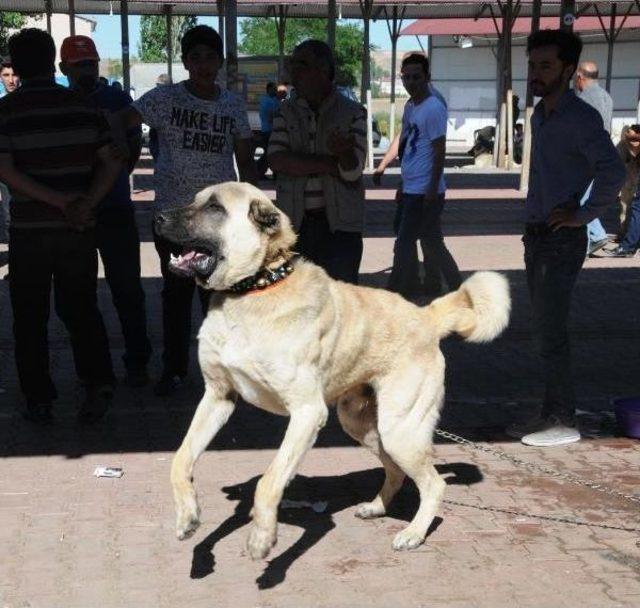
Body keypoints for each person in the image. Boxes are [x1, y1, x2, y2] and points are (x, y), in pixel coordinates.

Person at [119, 25, 256, 396]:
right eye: (196, 57)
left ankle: (223, 374)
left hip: (218, 221)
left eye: (210, 57)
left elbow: (244, 151)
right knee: (176, 296)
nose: (203, 64)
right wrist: (120, 159)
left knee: (218, 299)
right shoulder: (163, 99)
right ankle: (175, 370)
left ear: (220, 62)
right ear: (185, 62)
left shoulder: (231, 104)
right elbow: (123, 122)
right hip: (174, 219)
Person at [506, 30, 625, 447]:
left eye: (546, 66)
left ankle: (563, 418)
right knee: (541, 330)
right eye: (532, 65)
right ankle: (548, 411)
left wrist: (583, 215)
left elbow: (614, 172)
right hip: (536, 235)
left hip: (561, 239)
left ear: (568, 69)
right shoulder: (540, 115)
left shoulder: (580, 118)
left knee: (550, 331)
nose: (536, 74)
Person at [0, 29, 121, 424]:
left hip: (30, 232)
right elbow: (112, 161)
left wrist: (57, 203)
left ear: (15, 67)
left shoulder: (8, 111)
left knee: (30, 316)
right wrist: (84, 203)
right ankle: (98, 383)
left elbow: (6, 171)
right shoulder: (84, 107)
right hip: (77, 231)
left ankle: (39, 397)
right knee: (81, 308)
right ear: (55, 61)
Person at [60, 35, 152, 387]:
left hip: (114, 210)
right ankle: (96, 369)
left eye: (92, 64)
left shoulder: (116, 98)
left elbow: (130, 148)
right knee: (79, 294)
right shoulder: (62, 101)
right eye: (79, 65)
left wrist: (115, 177)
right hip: (74, 213)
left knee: (127, 289)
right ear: (63, 68)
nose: (86, 71)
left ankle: (138, 360)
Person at [267, 40, 367, 285]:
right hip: (295, 227)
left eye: (300, 64)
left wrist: (344, 156)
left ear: (323, 70)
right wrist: (331, 164)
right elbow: (277, 160)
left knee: (341, 304)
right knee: (296, 304)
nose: (292, 71)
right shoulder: (285, 112)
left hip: (341, 230)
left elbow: (353, 172)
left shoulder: (353, 112)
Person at [373, 53, 461, 299]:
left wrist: (432, 187)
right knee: (429, 241)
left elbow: (439, 150)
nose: (411, 82)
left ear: (427, 78)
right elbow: (406, 140)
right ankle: (442, 287)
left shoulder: (433, 107)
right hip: (412, 187)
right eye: (407, 77)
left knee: (407, 241)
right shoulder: (411, 106)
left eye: (417, 77)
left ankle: (399, 289)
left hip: (424, 191)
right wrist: (385, 167)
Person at [573, 61, 614, 255]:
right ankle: (595, 234)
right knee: (586, 196)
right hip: (601, 153)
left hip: (585, 156)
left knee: (581, 198)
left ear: (580, 77)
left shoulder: (583, 98)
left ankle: (596, 235)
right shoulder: (606, 96)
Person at [602, 125, 640, 257]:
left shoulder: (628, 141)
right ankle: (628, 242)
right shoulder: (624, 145)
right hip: (630, 178)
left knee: (636, 208)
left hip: (632, 179)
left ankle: (628, 246)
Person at [0, 56, 19, 260]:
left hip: (29, 169)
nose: (11, 79)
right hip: (7, 174)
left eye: (14, 74)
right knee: (9, 216)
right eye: (6, 75)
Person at [256, 81, 280, 178]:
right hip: (269, 131)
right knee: (270, 153)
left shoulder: (268, 99)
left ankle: (265, 172)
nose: (276, 91)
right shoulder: (268, 101)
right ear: (269, 89)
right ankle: (260, 171)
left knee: (269, 152)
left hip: (267, 130)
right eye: (274, 89)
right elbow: (271, 117)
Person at [148, 73, 172, 164]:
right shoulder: (153, 98)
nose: (157, 88)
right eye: (157, 85)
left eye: (160, 86)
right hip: (156, 138)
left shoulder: (176, 99)